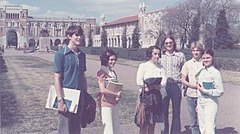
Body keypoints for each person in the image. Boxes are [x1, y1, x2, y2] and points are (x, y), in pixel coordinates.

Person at [54, 25, 87, 134]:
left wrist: (85, 96)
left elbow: (83, 77)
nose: (79, 37)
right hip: (66, 95)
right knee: (64, 129)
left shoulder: (82, 55)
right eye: (76, 35)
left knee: (76, 128)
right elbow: (57, 78)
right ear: (69, 36)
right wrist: (60, 100)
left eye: (80, 35)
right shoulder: (60, 54)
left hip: (79, 95)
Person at [136, 46, 167, 134]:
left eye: (158, 54)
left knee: (152, 122)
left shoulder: (161, 67)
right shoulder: (143, 66)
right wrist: (145, 85)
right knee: (144, 122)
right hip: (145, 97)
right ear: (150, 54)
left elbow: (164, 81)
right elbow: (138, 80)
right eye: (155, 54)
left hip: (156, 97)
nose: (157, 56)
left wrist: (157, 86)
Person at [160, 35, 186, 134]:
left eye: (170, 42)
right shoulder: (160, 56)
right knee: (163, 111)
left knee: (176, 112)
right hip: (164, 86)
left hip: (176, 85)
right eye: (166, 43)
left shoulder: (180, 56)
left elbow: (184, 71)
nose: (168, 45)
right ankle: (164, 132)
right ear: (164, 44)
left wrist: (184, 85)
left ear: (174, 43)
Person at [196, 49, 224, 134]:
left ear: (212, 58)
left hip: (210, 102)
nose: (205, 60)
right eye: (204, 58)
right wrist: (198, 103)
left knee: (209, 128)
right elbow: (199, 88)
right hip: (201, 102)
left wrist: (205, 91)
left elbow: (220, 91)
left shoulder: (215, 72)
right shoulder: (201, 71)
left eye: (208, 58)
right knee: (202, 128)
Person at [97, 49, 121, 134]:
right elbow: (102, 90)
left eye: (114, 60)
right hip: (105, 103)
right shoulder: (102, 72)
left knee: (116, 127)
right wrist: (115, 94)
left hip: (114, 102)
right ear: (105, 59)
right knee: (108, 129)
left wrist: (119, 93)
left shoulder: (113, 72)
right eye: (111, 59)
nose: (113, 62)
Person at [181, 41, 204, 134]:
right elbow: (183, 79)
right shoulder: (187, 64)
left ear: (201, 51)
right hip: (191, 94)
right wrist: (192, 85)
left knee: (203, 119)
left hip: (203, 94)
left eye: (197, 50)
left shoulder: (205, 62)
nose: (195, 52)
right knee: (193, 120)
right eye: (193, 50)